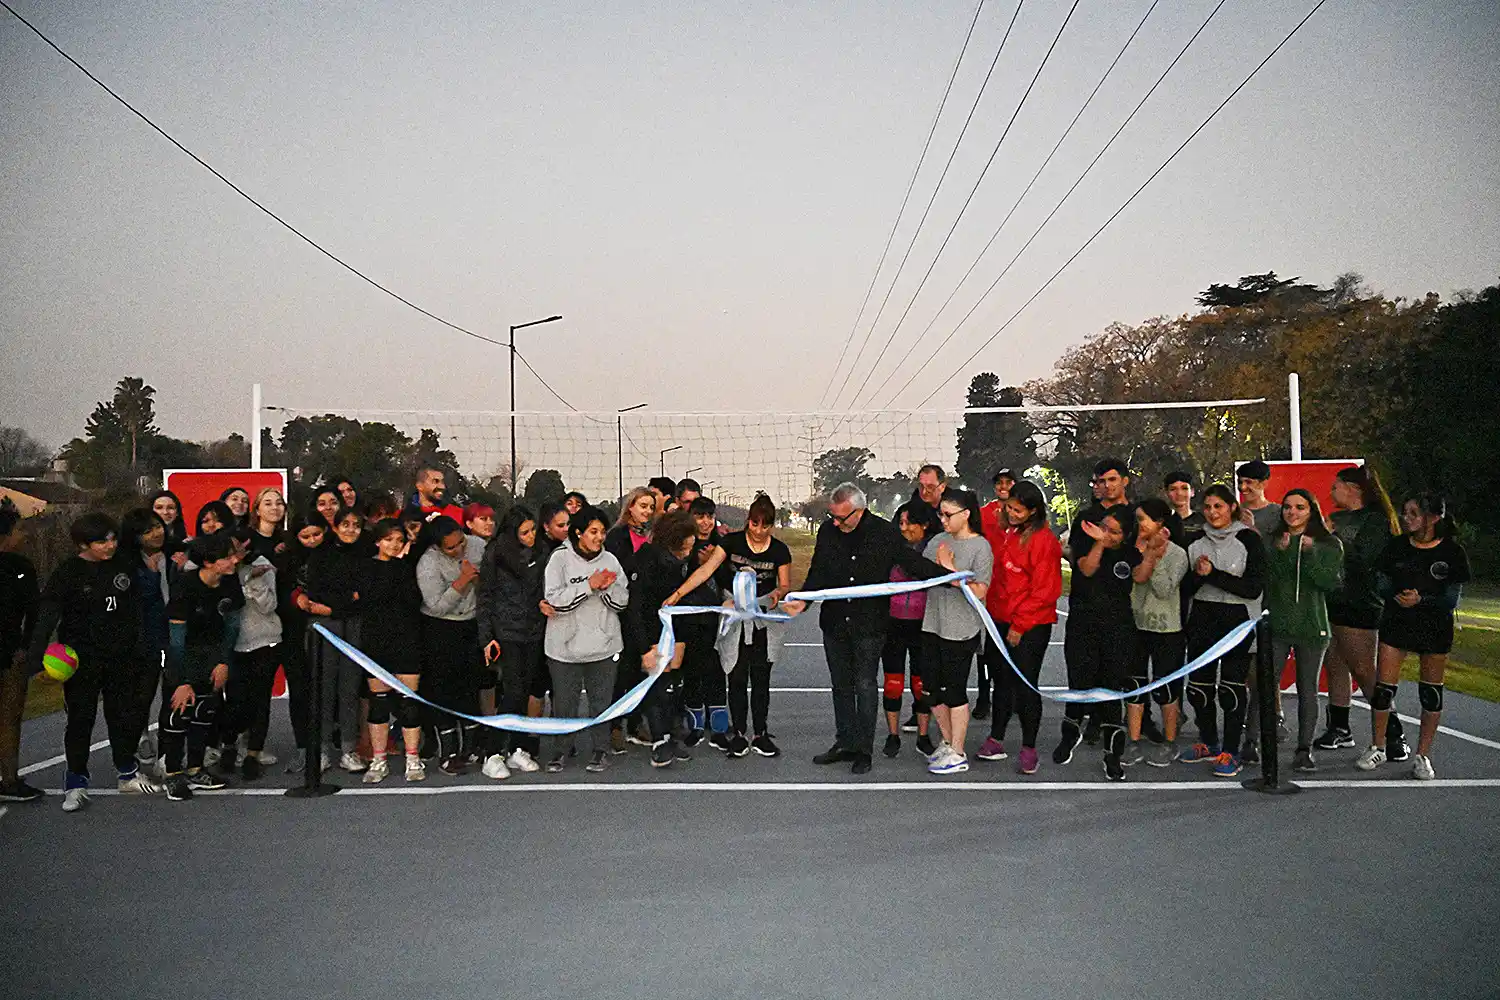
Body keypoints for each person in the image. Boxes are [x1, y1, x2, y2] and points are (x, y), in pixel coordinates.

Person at [782, 483, 945, 775]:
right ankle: (844, 742)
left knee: (865, 686)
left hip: (869, 626)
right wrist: (803, 601)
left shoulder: (884, 533)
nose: (835, 522)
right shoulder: (828, 532)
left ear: (860, 511)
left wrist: (952, 578)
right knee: (841, 686)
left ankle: (863, 750)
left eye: (842, 517)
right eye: (832, 516)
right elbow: (818, 571)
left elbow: (913, 564)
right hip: (834, 623)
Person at [29, 513, 161, 810]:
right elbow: (47, 617)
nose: (110, 545)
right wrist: (38, 661)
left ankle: (127, 773)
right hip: (82, 660)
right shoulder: (68, 572)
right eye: (102, 541)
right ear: (83, 544)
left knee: (123, 717)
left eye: (113, 538)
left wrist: (139, 647)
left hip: (121, 657)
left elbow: (137, 609)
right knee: (80, 720)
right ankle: (75, 783)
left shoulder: (124, 564)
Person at [670, 494, 793, 757]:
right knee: (736, 675)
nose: (759, 531)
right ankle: (738, 732)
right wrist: (677, 595)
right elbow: (705, 571)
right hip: (733, 614)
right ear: (748, 521)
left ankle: (760, 732)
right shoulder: (731, 542)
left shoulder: (780, 550)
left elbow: (784, 584)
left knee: (761, 678)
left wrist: (776, 596)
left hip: (762, 617)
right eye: (755, 524)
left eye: (765, 526)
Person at [1358, 494, 1470, 780]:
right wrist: (1395, 595)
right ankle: (1378, 746)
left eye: (1413, 513)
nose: (1406, 518)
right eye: (1404, 512)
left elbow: (1451, 599)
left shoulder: (1452, 553)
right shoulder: (1396, 548)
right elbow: (1381, 581)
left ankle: (1423, 755)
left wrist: (1422, 599)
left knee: (1430, 693)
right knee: (1384, 689)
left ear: (1432, 518)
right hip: (1397, 623)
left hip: (1434, 627)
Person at [1316, 466, 1407, 760]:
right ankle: (1339, 727)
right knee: (1335, 663)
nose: (1332, 493)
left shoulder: (1375, 521)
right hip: (1332, 600)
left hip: (1361, 603)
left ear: (1352, 488)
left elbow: (1364, 559)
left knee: (1365, 670)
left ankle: (1393, 733)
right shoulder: (1338, 518)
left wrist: (1333, 539)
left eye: (1336, 487)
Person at [1177, 485, 1266, 777]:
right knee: (1199, 689)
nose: (1213, 513)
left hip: (1237, 621)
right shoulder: (1195, 540)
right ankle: (1208, 742)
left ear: (1231, 507)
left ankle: (1231, 749)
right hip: (1202, 619)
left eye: (1219, 506)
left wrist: (1213, 574)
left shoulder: (1249, 540)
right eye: (1208, 507)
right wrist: (1198, 576)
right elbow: (1185, 588)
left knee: (1231, 689)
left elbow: (1253, 589)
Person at [981, 481, 1063, 775]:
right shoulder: (1006, 533)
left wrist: (1019, 625)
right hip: (999, 619)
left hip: (1030, 625)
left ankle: (1029, 747)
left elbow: (1046, 591)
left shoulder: (1043, 541)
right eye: (1009, 508)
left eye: (1018, 510)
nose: (1011, 513)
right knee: (1000, 682)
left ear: (1033, 511)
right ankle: (996, 738)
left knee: (1026, 685)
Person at [1260, 489, 1343, 773]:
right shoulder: (1273, 541)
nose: (1292, 513)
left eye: (1300, 507)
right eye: (1287, 507)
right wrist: (1282, 554)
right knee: (1265, 683)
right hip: (1278, 626)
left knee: (1308, 688)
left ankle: (1304, 749)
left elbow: (1328, 582)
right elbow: (1268, 580)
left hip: (1312, 627)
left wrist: (1310, 554)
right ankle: (1254, 741)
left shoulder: (1328, 543)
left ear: (1312, 511)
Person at [542, 506, 630, 773]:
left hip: (604, 647)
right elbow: (554, 599)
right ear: (578, 533)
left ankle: (600, 749)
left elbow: (623, 601)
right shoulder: (559, 559)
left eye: (602, 532)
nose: (599, 537)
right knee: (564, 703)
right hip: (564, 648)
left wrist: (606, 588)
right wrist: (588, 585)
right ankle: (561, 750)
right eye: (593, 532)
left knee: (601, 702)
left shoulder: (611, 560)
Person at [1055, 505, 1140, 781]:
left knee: (1111, 692)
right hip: (1083, 625)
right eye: (1105, 526)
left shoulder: (1129, 554)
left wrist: (1152, 552)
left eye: (1114, 531)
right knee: (1079, 684)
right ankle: (1070, 735)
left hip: (1117, 629)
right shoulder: (1086, 544)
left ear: (1125, 535)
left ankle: (1112, 755)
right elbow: (1087, 570)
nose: (1107, 533)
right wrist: (1100, 544)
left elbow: (1140, 576)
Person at [160, 533, 243, 801]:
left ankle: (196, 769)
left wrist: (223, 662)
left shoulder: (230, 584)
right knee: (178, 714)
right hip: (183, 656)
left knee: (204, 712)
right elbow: (176, 640)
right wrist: (181, 680)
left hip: (212, 655)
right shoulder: (185, 587)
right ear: (207, 562)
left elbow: (231, 628)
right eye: (227, 557)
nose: (234, 560)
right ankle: (172, 774)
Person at [921, 490, 993, 776]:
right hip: (932, 624)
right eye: (941, 513)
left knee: (954, 690)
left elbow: (980, 590)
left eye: (948, 514)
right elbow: (923, 572)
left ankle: (959, 751)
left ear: (966, 514)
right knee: (931, 689)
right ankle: (949, 741)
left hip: (961, 629)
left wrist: (951, 573)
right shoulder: (938, 541)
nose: (943, 519)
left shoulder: (980, 547)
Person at [1066, 458, 1138, 745]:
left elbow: (1141, 558)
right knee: (1081, 671)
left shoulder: (1135, 517)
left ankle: (1122, 726)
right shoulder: (1086, 517)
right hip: (1084, 606)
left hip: (1120, 610)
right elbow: (1079, 562)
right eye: (1100, 481)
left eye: (1111, 479)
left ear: (1124, 480)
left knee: (1120, 674)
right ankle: (1082, 723)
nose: (1106, 486)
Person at [477, 505, 548, 775]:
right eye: (525, 532)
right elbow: (484, 598)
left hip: (534, 630)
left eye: (533, 530)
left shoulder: (541, 552)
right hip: (505, 632)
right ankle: (492, 753)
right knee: (512, 691)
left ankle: (518, 749)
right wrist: (486, 638)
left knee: (527, 689)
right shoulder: (495, 554)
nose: (531, 536)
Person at [417, 515, 488, 776]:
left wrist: (479, 581)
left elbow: (489, 585)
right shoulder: (428, 563)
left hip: (470, 624)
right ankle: (447, 751)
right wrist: (462, 580)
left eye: (461, 542)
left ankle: (472, 745)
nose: (459, 549)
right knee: (443, 689)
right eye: (451, 547)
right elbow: (436, 606)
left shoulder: (478, 546)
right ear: (438, 547)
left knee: (470, 686)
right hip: (440, 627)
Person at [358, 519, 426, 783]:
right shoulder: (366, 567)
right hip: (376, 640)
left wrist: (401, 564)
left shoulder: (408, 566)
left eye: (399, 540)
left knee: (410, 701)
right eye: (388, 539)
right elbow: (372, 599)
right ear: (377, 541)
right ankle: (379, 759)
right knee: (379, 702)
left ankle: (412, 758)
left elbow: (413, 600)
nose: (395, 545)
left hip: (407, 639)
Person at [300, 506, 367, 773]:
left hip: (354, 625)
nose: (351, 529)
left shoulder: (365, 554)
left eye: (356, 525)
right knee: (323, 688)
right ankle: (323, 749)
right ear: (335, 527)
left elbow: (363, 594)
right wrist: (342, 603)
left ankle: (349, 749)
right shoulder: (320, 555)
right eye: (346, 524)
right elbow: (317, 593)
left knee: (349, 688)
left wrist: (338, 605)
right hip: (325, 627)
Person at [627, 510, 696, 767]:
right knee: (658, 682)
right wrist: (644, 647)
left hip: (677, 626)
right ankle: (659, 739)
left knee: (674, 683)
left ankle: (672, 734)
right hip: (652, 628)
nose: (688, 551)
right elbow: (635, 606)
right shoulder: (647, 559)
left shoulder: (683, 560)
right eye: (685, 546)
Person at [216, 525, 283, 780]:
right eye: (232, 549)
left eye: (241, 547)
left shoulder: (262, 565)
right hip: (232, 643)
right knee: (235, 699)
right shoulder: (221, 567)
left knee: (260, 698)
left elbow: (270, 605)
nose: (237, 553)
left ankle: (254, 753)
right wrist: (241, 576)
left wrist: (254, 581)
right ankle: (229, 745)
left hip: (264, 639)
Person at [1126, 498, 1189, 767]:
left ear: (1159, 523)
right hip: (1135, 625)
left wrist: (1156, 557)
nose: (1138, 525)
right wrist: (1145, 553)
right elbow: (1133, 578)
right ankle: (1133, 740)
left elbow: (1164, 589)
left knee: (1165, 686)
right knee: (1134, 685)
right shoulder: (1130, 549)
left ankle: (1170, 740)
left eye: (1142, 519)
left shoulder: (1177, 554)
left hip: (1167, 628)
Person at [118, 508, 172, 772]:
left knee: (173, 695)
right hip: (142, 640)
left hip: (173, 635)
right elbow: (138, 600)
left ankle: (168, 755)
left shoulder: (174, 555)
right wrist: (151, 574)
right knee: (140, 699)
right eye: (147, 530)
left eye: (158, 526)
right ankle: (133, 754)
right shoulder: (127, 563)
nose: (156, 533)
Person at [605, 487, 657, 751]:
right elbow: (617, 571)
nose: (646, 511)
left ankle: (636, 723)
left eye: (650, 507)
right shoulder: (616, 537)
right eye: (642, 506)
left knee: (641, 671)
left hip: (645, 611)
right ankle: (614, 727)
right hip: (622, 612)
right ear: (630, 507)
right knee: (620, 674)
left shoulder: (651, 537)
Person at [881, 504, 935, 759]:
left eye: (909, 522)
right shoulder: (890, 551)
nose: (904, 528)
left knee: (921, 683)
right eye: (900, 523)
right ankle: (892, 735)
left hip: (924, 625)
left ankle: (924, 736)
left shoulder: (934, 550)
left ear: (924, 524)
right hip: (893, 623)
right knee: (893, 683)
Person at [0, 506, 42, 802]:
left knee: (10, 717)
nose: (22, 535)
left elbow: (34, 612)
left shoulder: (22, 567)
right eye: (17, 530)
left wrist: (26, 647)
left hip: (11, 654)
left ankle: (10, 779)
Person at [279, 515, 324, 771]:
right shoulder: (286, 559)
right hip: (294, 632)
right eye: (305, 536)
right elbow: (280, 590)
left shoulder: (332, 555)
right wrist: (294, 597)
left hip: (327, 628)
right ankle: (303, 747)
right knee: (300, 690)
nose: (312, 541)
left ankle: (329, 745)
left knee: (328, 690)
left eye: (316, 534)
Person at [1236, 460, 1282, 539]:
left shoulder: (1279, 513)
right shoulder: (1233, 512)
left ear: (1264, 484)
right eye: (1240, 482)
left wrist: (1251, 527)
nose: (1242, 487)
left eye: (1248, 482)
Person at [246, 487, 288, 564]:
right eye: (268, 504)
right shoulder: (245, 537)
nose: (275, 507)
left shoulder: (288, 538)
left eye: (279, 503)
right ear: (257, 511)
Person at [1163, 470, 1206, 544]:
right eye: (1173, 489)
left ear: (1192, 492)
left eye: (1184, 488)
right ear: (1166, 493)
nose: (1179, 493)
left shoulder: (1204, 521)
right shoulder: (1161, 522)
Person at [147, 489, 188, 560]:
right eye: (159, 508)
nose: (165, 512)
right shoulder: (143, 542)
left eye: (170, 508)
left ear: (177, 512)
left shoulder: (188, 543)